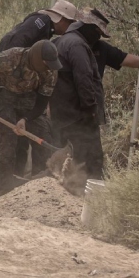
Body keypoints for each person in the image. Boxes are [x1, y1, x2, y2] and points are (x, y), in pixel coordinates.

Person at [0, 0, 77, 179]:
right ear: (60, 19)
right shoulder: (40, 22)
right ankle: (2, 185)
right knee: (10, 138)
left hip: (21, 87)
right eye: (68, 23)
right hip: (10, 86)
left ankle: (27, 181)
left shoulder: (45, 28)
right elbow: (13, 44)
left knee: (24, 133)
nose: (68, 28)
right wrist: (16, 78)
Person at [0, 40, 62, 198]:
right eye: (47, 63)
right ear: (38, 60)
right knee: (9, 133)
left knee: (43, 132)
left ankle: (40, 188)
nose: (50, 67)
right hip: (3, 97)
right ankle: (3, 190)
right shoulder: (10, 58)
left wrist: (25, 118)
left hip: (29, 101)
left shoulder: (51, 71)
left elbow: (42, 102)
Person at [50, 9, 108, 180]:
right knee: (92, 162)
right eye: (97, 32)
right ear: (87, 27)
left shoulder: (60, 42)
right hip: (79, 118)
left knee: (75, 161)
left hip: (64, 116)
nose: (98, 37)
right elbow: (84, 79)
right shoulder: (77, 45)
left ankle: (73, 197)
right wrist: (90, 110)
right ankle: (89, 201)